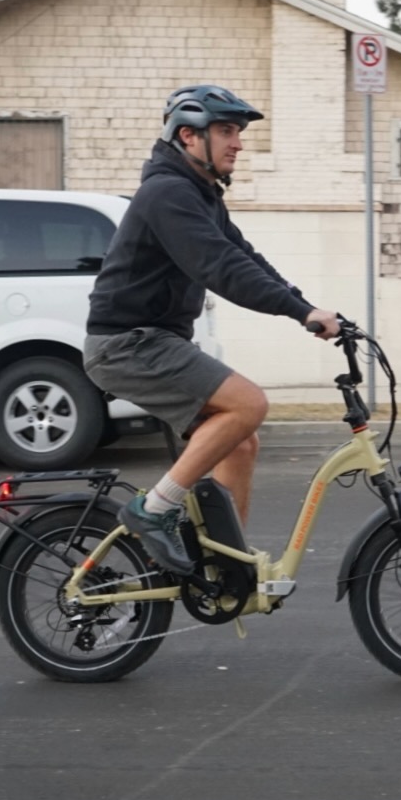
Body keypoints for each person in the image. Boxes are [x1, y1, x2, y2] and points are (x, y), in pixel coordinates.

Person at [83, 84, 340, 575]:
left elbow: (245, 256)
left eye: (238, 132)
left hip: (154, 341)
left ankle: (226, 565)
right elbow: (220, 267)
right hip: (127, 344)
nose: (238, 143)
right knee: (249, 404)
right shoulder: (167, 193)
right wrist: (298, 313)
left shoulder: (199, 195)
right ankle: (152, 511)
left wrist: (306, 307)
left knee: (241, 440)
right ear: (187, 136)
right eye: (226, 131)